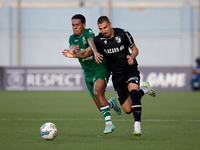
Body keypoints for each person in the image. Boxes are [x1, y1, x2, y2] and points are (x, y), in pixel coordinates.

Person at [93, 16, 156, 136]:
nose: (103, 31)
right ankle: (144, 89)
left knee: (133, 93)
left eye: (105, 27)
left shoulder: (123, 33)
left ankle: (137, 127)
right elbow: (89, 50)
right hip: (116, 76)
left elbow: (135, 49)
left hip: (130, 69)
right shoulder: (98, 40)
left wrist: (132, 57)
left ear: (110, 24)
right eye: (100, 29)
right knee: (127, 110)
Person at [62, 14, 121, 134]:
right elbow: (73, 47)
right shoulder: (71, 38)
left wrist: (92, 52)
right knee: (101, 107)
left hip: (100, 68)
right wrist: (73, 50)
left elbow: (89, 48)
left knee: (97, 92)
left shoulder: (88, 32)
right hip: (87, 73)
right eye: (73, 25)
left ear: (83, 25)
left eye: (77, 25)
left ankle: (109, 124)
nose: (75, 27)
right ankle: (111, 103)